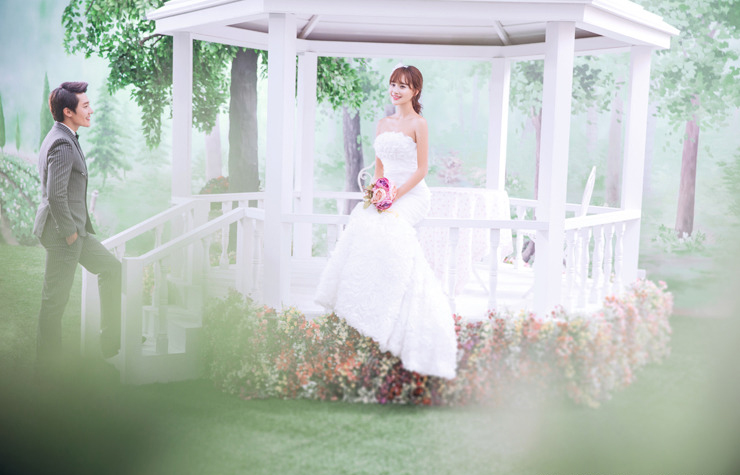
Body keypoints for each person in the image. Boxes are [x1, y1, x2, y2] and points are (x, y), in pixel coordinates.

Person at [315, 65, 457, 379]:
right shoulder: (382, 123)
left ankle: (396, 297)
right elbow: (380, 168)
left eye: (403, 86)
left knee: (391, 227)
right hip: (387, 192)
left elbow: (421, 170)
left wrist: (395, 195)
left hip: (412, 194)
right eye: (393, 84)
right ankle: (366, 297)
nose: (395, 90)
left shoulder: (419, 123)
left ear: (415, 91)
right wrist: (377, 191)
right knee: (364, 223)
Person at [33, 81, 122, 376]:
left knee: (112, 268)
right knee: (54, 302)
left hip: (75, 232)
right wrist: (70, 231)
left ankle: (110, 340)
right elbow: (55, 193)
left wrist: (76, 230)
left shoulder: (64, 136)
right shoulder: (61, 142)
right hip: (64, 234)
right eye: (85, 106)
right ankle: (47, 372)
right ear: (68, 111)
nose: (91, 110)